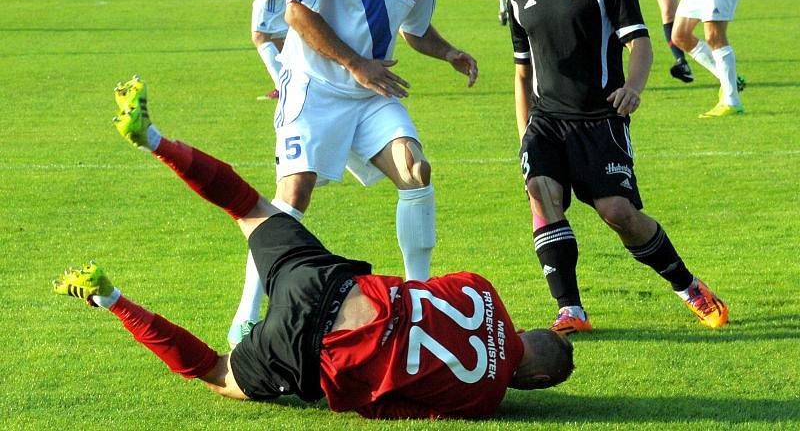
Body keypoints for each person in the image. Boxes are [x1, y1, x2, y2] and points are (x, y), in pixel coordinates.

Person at [53, 76, 575, 420]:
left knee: (247, 204)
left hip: (329, 282)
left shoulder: (483, 293)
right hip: (313, 351)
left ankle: (154, 139)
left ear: (532, 330)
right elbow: (388, 404)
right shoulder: (484, 399)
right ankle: (110, 298)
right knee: (217, 370)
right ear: (538, 381)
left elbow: (425, 289)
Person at [225, 0, 476, 349]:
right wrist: (356, 63)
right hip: (314, 85)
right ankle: (248, 313)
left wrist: (449, 52)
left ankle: (418, 298)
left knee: (416, 171)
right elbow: (296, 10)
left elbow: (415, 30)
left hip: (369, 92)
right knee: (294, 196)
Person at [507, 0, 729, 334]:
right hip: (546, 122)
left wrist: (633, 88)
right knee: (542, 194)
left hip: (599, 121)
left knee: (618, 214)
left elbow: (642, 44)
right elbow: (522, 72)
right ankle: (571, 308)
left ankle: (688, 286)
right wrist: (524, 130)